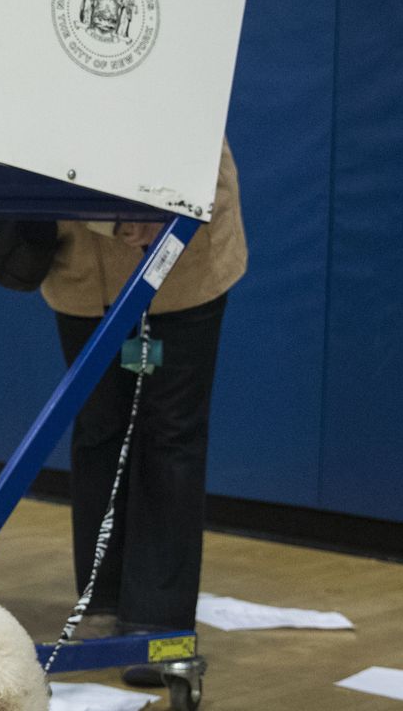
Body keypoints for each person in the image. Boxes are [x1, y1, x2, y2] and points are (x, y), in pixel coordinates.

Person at [39, 139, 246, 686]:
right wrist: (109, 218)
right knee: (98, 431)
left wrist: (152, 203)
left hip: (184, 252)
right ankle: (101, 598)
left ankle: (160, 620)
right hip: (80, 258)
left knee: (170, 435)